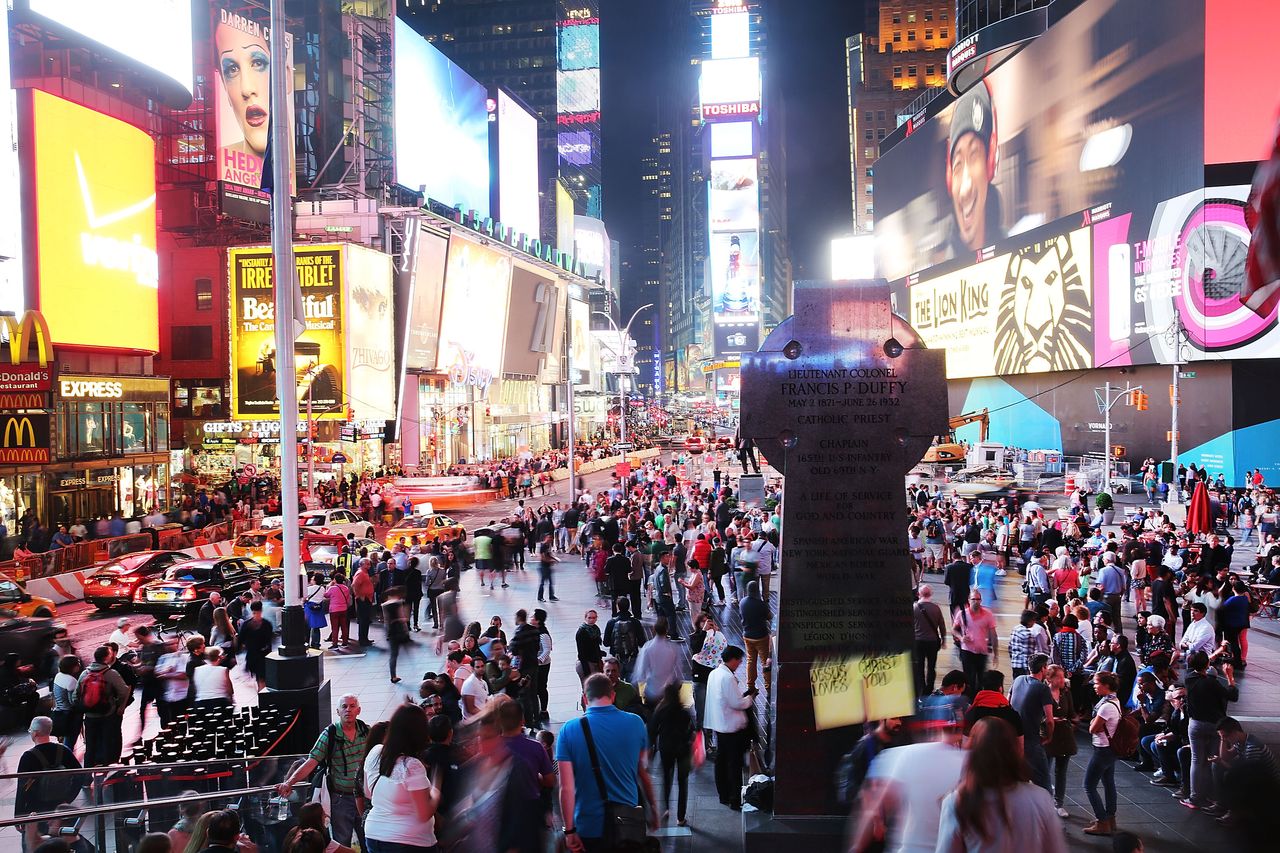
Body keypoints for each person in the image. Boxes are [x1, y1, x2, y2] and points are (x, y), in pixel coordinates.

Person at [556, 672, 658, 852]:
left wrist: (570, 830)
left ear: (584, 699)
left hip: (588, 824)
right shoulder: (636, 723)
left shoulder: (568, 730)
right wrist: (654, 808)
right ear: (613, 696)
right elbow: (642, 771)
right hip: (628, 823)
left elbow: (566, 787)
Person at [935, 717, 1066, 853]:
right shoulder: (1040, 798)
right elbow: (1055, 848)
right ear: (1013, 752)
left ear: (973, 755)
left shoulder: (957, 801)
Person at [848, 714, 965, 853]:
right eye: (893, 718)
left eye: (899, 719)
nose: (898, 722)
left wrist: (857, 847)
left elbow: (878, 802)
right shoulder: (968, 762)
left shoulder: (901, 754)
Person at [278, 695, 371, 848]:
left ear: (358, 710)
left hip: (365, 797)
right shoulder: (330, 734)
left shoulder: (367, 731)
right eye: (344, 706)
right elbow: (311, 762)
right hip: (341, 799)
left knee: (367, 839)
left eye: (352, 706)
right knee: (342, 842)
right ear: (338, 711)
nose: (348, 710)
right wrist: (290, 782)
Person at [362, 703, 441, 853]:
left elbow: (368, 792)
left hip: (374, 835)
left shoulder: (375, 752)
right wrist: (436, 791)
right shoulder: (411, 766)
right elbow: (424, 813)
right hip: (409, 842)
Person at [16, 717, 83, 852]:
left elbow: (22, 788)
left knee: (33, 844)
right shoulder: (63, 750)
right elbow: (80, 775)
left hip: (36, 808)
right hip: (58, 806)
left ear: (34, 733)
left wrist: (19, 815)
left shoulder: (28, 757)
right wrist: (68, 798)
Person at [1182, 649, 1238, 811]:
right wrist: (1229, 676)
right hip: (1215, 726)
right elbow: (1232, 696)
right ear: (1207, 665)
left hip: (1195, 724)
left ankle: (1194, 797)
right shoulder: (1211, 683)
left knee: (1196, 760)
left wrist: (1210, 658)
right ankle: (1213, 796)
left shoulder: (1189, 677)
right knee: (1214, 760)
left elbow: (1199, 665)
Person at [705, 646, 755, 810]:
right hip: (732, 728)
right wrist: (750, 698)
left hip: (720, 726)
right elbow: (737, 703)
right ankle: (734, 799)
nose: (740, 663)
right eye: (739, 660)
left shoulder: (714, 674)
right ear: (732, 659)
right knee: (734, 765)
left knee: (721, 762)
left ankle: (723, 795)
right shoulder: (727, 678)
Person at [648, 681, 694, 827]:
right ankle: (681, 817)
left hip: (666, 749)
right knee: (683, 782)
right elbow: (691, 730)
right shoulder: (684, 712)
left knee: (666, 779)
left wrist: (652, 746)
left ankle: (666, 809)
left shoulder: (660, 710)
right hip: (682, 750)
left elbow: (652, 730)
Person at [1084, 670, 1123, 836]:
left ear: (1106, 685)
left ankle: (1102, 821)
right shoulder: (1113, 700)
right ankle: (1110, 817)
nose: (1094, 686)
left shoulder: (1106, 706)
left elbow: (1093, 728)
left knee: (1089, 785)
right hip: (1110, 750)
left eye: (1097, 683)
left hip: (1103, 750)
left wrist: (1093, 721)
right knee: (1108, 782)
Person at [1009, 654, 1055, 793]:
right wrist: (1049, 736)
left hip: (1014, 738)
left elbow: (1008, 702)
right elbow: (1050, 719)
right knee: (1044, 782)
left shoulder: (1018, 680)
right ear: (1043, 668)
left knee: (1018, 779)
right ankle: (1045, 810)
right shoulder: (1043, 689)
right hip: (1031, 741)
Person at [77, 645, 128, 766]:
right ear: (106, 657)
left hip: (90, 716)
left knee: (90, 746)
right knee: (108, 744)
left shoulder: (84, 673)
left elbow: (75, 695)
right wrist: (117, 705)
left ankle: (87, 778)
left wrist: (85, 706)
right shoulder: (111, 673)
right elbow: (123, 691)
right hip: (108, 714)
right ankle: (109, 775)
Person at [1043, 664, 1077, 819]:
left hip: (1064, 735)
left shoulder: (1066, 693)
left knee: (1061, 771)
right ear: (1049, 678)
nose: (1063, 679)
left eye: (1063, 676)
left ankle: (1059, 803)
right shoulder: (1042, 693)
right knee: (1045, 770)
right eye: (1059, 676)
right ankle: (1044, 801)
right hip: (1047, 735)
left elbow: (1071, 713)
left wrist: (1071, 722)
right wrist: (1049, 720)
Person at [631, 616, 683, 707]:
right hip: (668, 692)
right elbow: (678, 670)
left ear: (653, 629)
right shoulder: (673, 648)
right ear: (667, 629)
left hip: (652, 690)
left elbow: (641, 672)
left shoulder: (648, 647)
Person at [956, 590, 998, 697]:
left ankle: (977, 700)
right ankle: (969, 701)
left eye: (978, 599)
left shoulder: (988, 614)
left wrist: (996, 654)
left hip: (981, 651)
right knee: (969, 679)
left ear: (981, 600)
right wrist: (961, 638)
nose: (976, 601)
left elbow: (993, 634)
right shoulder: (962, 614)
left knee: (981, 679)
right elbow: (954, 629)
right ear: (969, 600)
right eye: (973, 599)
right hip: (967, 651)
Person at [912, 584, 946, 696]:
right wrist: (944, 639)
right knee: (931, 666)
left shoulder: (914, 607)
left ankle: (921, 688)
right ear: (931, 594)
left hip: (918, 641)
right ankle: (929, 687)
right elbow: (942, 626)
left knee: (920, 666)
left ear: (919, 594)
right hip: (932, 642)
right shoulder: (936, 608)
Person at [739, 580, 771, 695]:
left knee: (750, 661)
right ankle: (768, 686)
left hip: (747, 636)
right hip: (761, 636)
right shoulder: (761, 604)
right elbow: (769, 616)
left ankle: (750, 686)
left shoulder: (742, 602)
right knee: (765, 662)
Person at [382, 586, 411, 684]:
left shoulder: (384, 605)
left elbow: (386, 620)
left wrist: (387, 633)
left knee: (393, 655)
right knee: (405, 650)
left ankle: (393, 676)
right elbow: (402, 617)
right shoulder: (399, 603)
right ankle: (411, 666)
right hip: (399, 629)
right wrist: (406, 629)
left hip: (391, 631)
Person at [574, 610, 605, 685]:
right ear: (585, 618)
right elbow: (581, 652)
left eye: (594, 618)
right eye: (589, 617)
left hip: (596, 660)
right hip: (587, 663)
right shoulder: (582, 632)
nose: (592, 620)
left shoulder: (595, 629)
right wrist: (586, 670)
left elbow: (596, 645)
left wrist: (600, 653)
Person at [537, 532, 560, 602]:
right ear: (545, 538)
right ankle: (540, 597)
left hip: (547, 566)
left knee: (551, 582)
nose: (550, 539)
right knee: (543, 582)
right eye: (548, 537)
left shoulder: (548, 545)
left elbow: (549, 554)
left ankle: (551, 596)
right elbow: (542, 557)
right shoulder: (543, 546)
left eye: (551, 538)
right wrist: (550, 561)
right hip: (543, 567)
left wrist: (555, 559)